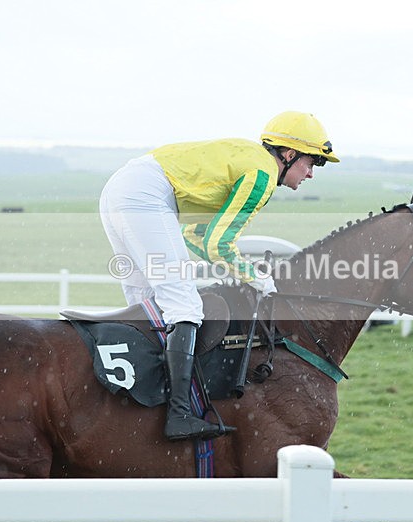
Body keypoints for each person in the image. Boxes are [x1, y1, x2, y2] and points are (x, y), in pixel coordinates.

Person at [99, 111, 339, 440]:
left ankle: (145, 399)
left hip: (124, 190)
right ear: (288, 154)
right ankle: (179, 413)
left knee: (149, 305)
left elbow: (198, 237)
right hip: (145, 195)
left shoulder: (252, 162)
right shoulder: (262, 175)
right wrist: (258, 279)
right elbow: (218, 245)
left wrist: (240, 271)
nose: (311, 173)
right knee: (184, 305)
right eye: (313, 162)